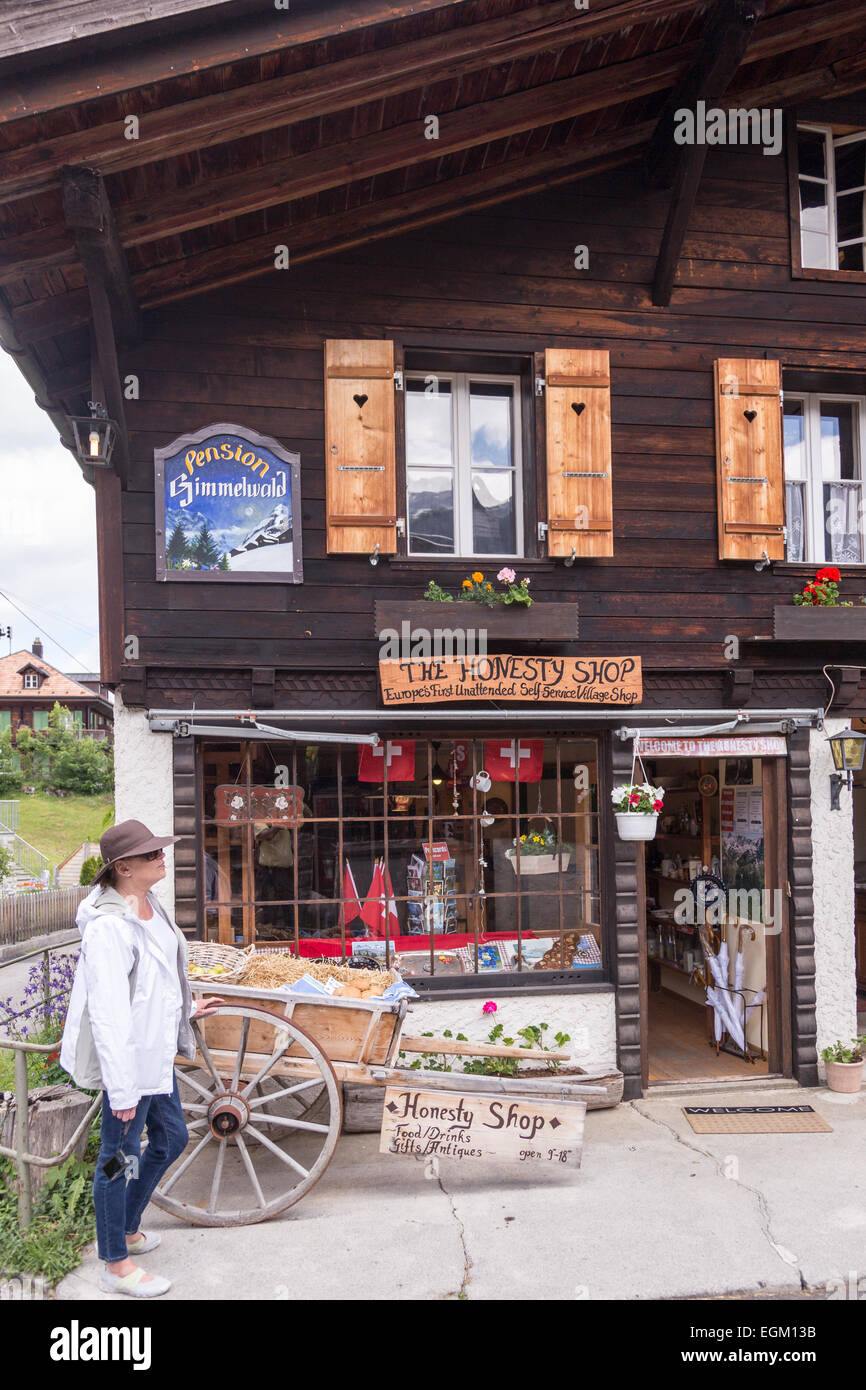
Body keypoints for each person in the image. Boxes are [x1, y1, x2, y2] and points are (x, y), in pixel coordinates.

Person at [60, 819, 224, 1298]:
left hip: (156, 1057)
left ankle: (128, 1226)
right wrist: (123, 1088)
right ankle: (115, 1262)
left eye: (160, 851)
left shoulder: (148, 904)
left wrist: (186, 1008)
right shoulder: (109, 927)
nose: (162, 857)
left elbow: (155, 981)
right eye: (152, 854)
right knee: (117, 1158)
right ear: (123, 867)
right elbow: (109, 1014)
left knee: (171, 1139)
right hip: (129, 1066)